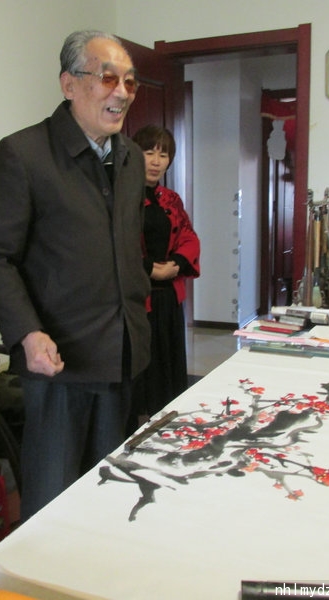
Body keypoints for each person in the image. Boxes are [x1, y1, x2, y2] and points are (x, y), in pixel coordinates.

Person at [0, 30, 150, 520]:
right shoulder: (24, 154)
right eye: (108, 78)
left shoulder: (132, 157)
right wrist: (27, 333)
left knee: (112, 493)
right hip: (60, 360)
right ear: (69, 85)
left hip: (122, 354)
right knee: (54, 500)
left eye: (130, 82)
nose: (121, 93)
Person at [130, 125, 200, 427]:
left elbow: (189, 236)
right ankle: (140, 424)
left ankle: (168, 423)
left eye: (163, 154)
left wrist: (177, 263)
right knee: (144, 365)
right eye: (149, 153)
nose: (156, 161)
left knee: (169, 362)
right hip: (138, 298)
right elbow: (116, 245)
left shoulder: (170, 198)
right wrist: (149, 268)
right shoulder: (122, 198)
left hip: (169, 295)